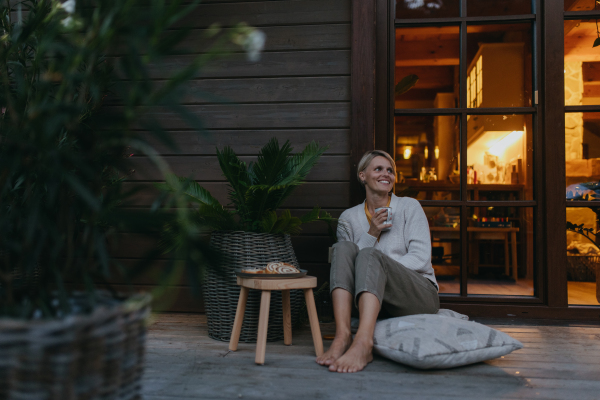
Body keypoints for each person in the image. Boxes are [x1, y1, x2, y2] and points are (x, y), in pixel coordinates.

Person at [316, 150, 439, 373]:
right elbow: (347, 268)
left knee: (370, 256)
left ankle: (364, 343)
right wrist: (371, 233)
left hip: (417, 295)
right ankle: (343, 336)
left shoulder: (409, 207)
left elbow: (421, 259)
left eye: (390, 170)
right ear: (362, 176)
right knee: (343, 248)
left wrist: (380, 266)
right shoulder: (349, 218)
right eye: (379, 169)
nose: (386, 174)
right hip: (369, 301)